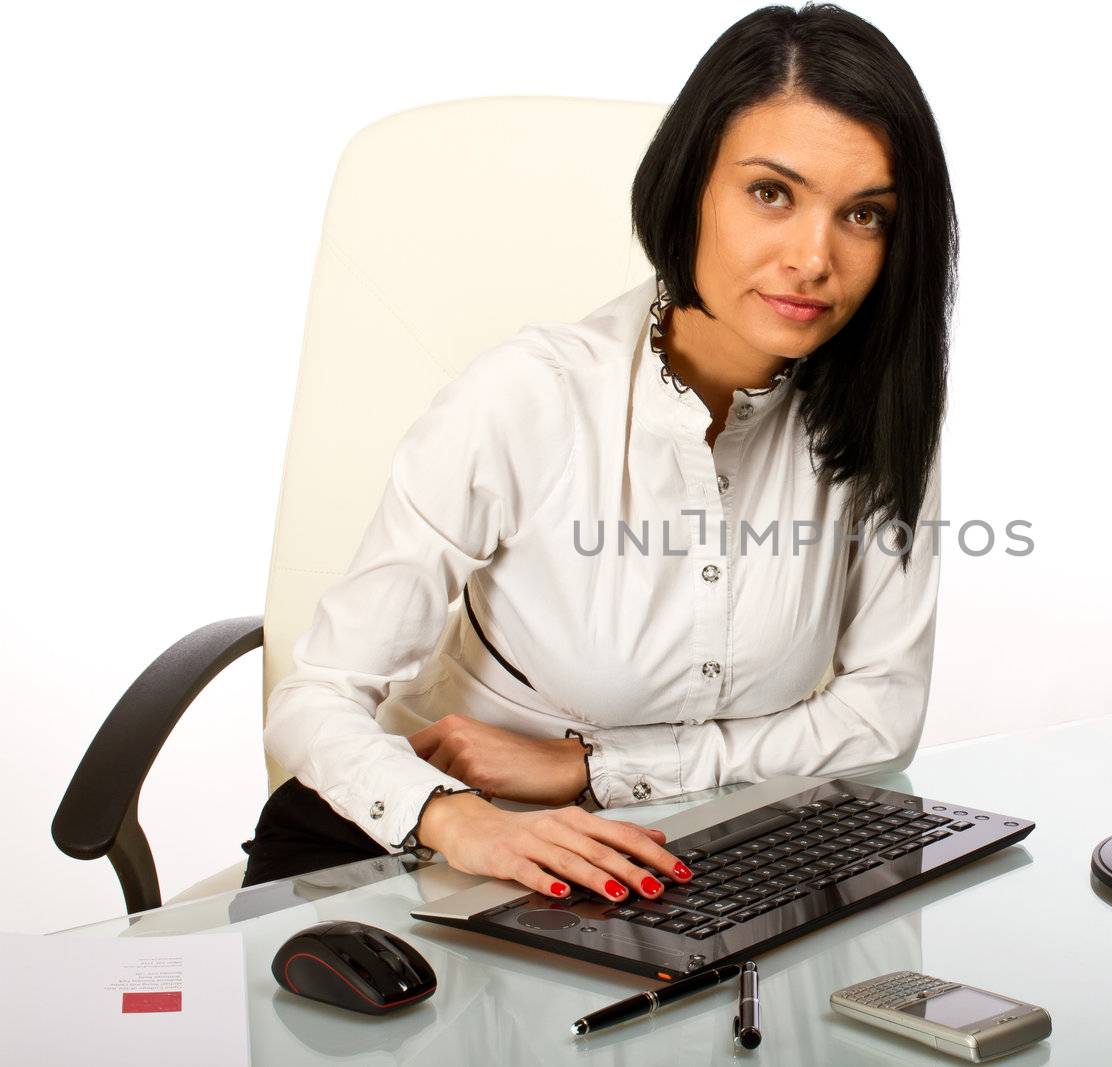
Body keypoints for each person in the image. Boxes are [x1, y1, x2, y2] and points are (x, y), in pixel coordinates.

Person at [247, 2, 958, 911]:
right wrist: (464, 817)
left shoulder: (884, 418)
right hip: (419, 861)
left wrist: (592, 766)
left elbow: (879, 720)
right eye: (772, 193)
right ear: (691, 181)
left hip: (697, 865)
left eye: (864, 214)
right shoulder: (526, 397)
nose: (813, 258)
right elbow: (316, 697)